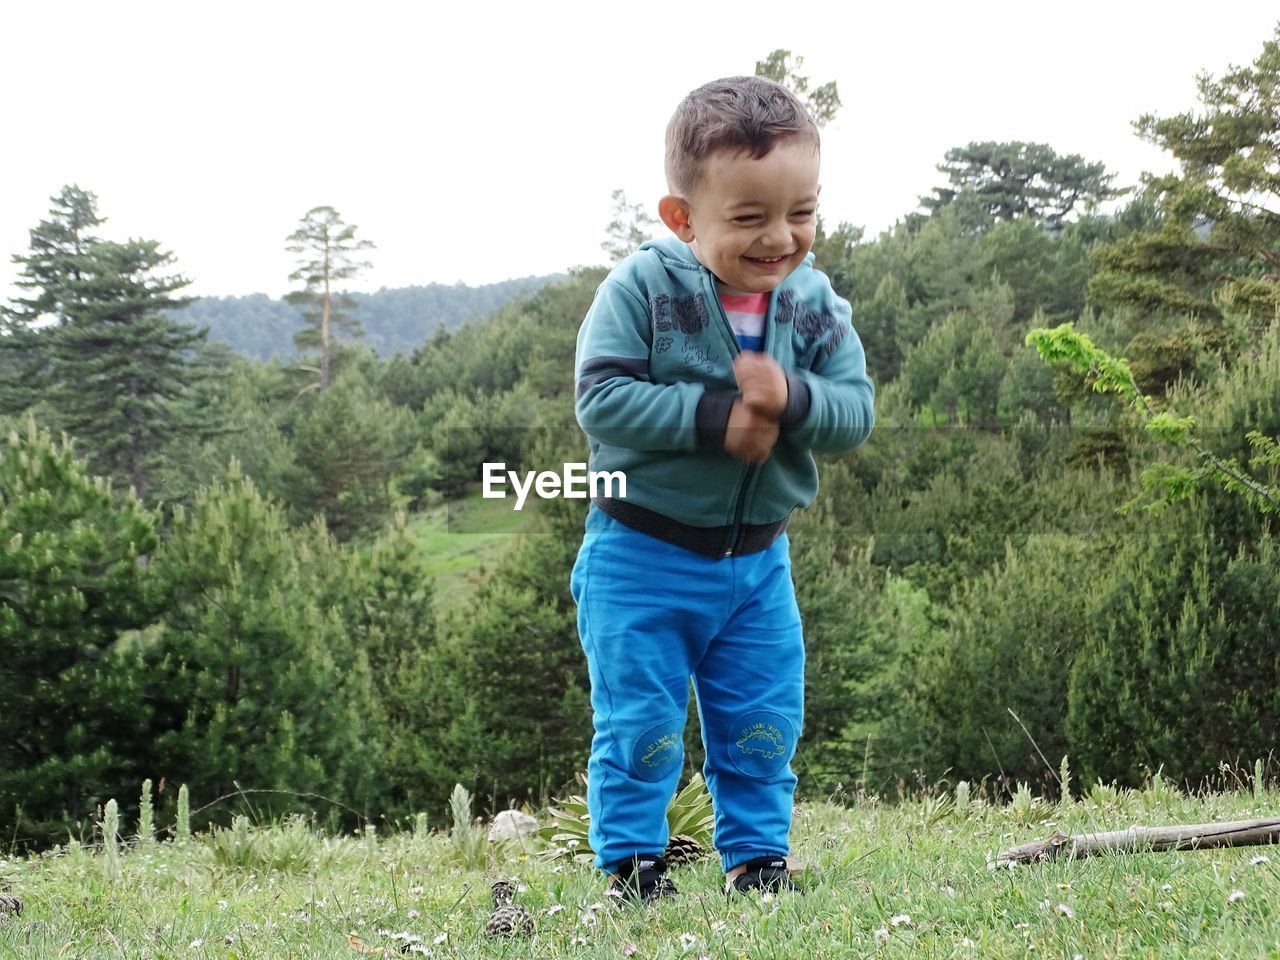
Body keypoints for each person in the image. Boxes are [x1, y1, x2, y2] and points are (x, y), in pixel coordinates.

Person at [571, 75, 875, 902]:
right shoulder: (639, 291)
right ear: (683, 217)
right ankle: (633, 866)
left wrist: (795, 399)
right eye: (749, 217)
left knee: (763, 721)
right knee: (640, 725)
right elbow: (601, 399)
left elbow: (856, 411)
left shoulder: (814, 306)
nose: (781, 237)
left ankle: (758, 862)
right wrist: (718, 418)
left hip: (758, 563)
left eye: (801, 212)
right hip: (641, 554)